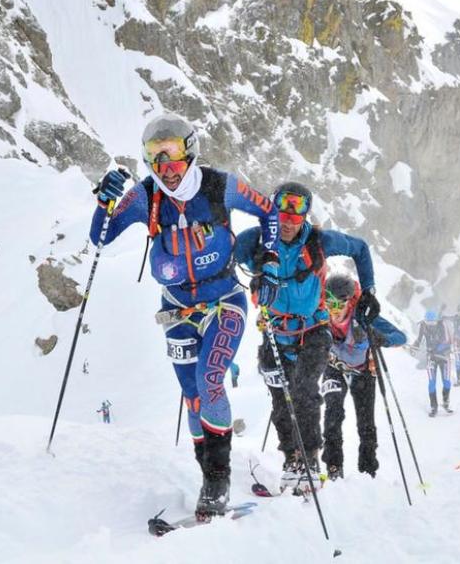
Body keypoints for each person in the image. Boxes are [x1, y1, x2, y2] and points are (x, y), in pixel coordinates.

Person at [89, 113, 279, 519]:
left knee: (210, 382)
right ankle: (208, 474)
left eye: (173, 153)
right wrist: (105, 202)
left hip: (224, 300)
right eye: (155, 157)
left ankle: (217, 481)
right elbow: (100, 238)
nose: (167, 167)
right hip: (175, 311)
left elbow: (272, 212)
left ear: (190, 150)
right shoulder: (145, 197)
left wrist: (271, 257)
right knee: (193, 398)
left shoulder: (219, 186)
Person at [235, 182, 382, 493]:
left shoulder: (319, 241)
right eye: (282, 210)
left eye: (297, 210)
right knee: (280, 399)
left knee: (303, 391)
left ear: (305, 214)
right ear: (272, 211)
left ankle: (309, 460)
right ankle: (291, 459)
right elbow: (223, 255)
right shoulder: (254, 240)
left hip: (315, 330)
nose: (289, 219)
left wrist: (367, 290)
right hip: (275, 331)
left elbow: (359, 248)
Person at [320, 273, 406, 480]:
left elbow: (401, 337)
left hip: (363, 370)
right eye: (328, 303)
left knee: (365, 423)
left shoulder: (363, 315)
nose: (334, 311)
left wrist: (378, 338)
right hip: (334, 366)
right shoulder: (321, 315)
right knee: (333, 414)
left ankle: (368, 470)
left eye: (338, 304)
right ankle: (333, 466)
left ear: (349, 302)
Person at [411, 310, 454, 417]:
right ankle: (434, 407)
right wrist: (414, 346)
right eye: (428, 322)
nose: (430, 325)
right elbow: (419, 339)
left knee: (447, 382)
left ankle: (446, 403)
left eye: (432, 323)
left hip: (444, 357)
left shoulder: (442, 325)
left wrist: (437, 349)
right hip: (431, 357)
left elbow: (447, 340)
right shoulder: (423, 326)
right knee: (432, 383)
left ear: (436, 321)